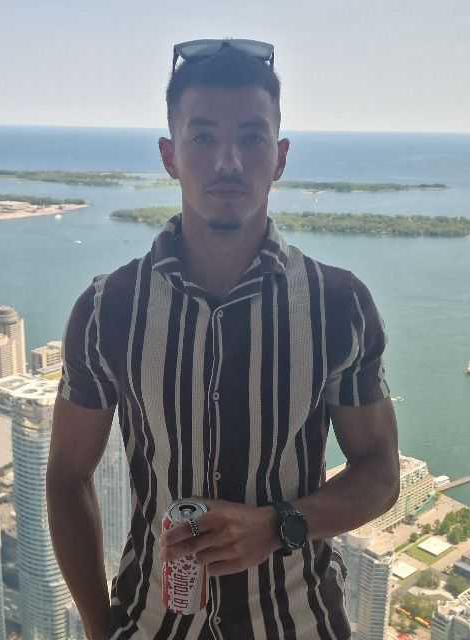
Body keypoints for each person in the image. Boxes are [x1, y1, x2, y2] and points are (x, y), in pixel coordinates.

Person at [47, 39, 400, 640]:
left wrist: (276, 527)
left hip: (299, 623)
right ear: (170, 155)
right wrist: (97, 629)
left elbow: (381, 472)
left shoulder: (338, 305)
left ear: (280, 157)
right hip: (150, 622)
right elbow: (66, 477)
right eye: (203, 137)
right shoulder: (108, 310)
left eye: (252, 138)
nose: (228, 161)